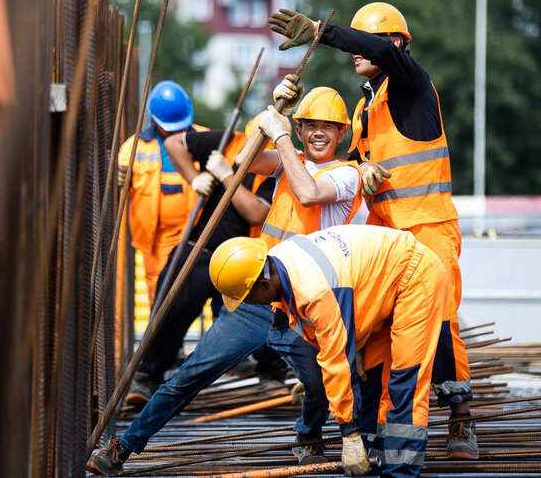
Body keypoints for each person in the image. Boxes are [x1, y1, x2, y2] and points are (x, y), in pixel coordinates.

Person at [87, 83, 361, 475]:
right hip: (257, 296)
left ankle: (308, 437)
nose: (319, 133)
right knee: (190, 375)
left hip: (306, 306)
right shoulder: (287, 158)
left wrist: (281, 134)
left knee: (319, 385)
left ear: (342, 133)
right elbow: (247, 160)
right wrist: (270, 120)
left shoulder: (345, 174)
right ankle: (124, 448)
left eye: (328, 127)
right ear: (300, 130)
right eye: (310, 125)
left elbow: (308, 193)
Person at [269, 2, 478, 459]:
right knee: (384, 333)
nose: (357, 51)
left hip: (428, 226)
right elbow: (372, 162)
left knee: (439, 325)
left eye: (371, 41)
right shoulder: (367, 105)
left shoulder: (414, 86)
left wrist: (323, 33)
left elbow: (376, 48)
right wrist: (363, 169)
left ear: (397, 46)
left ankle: (460, 418)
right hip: (389, 237)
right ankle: (386, 429)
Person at [210, 225, 448, 478]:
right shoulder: (278, 262)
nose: (249, 304)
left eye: (247, 297)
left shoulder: (315, 290)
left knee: (404, 381)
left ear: (265, 283)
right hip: (385, 282)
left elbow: (337, 361)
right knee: (372, 380)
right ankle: (374, 460)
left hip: (415, 275)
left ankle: (402, 471)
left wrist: (350, 435)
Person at [125, 113, 289, 408]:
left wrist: (227, 176)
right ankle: (148, 374)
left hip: (250, 257)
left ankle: (270, 373)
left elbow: (254, 212)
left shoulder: (279, 168)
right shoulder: (224, 141)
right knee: (171, 304)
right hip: (203, 245)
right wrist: (195, 177)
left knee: (270, 306)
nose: (256, 153)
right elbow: (175, 143)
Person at [118, 80, 208, 304]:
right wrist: (118, 178)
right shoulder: (134, 148)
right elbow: (120, 189)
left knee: (199, 285)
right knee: (158, 290)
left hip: (197, 230)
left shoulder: (206, 138)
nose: (178, 130)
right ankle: (162, 336)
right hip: (156, 235)